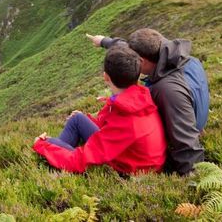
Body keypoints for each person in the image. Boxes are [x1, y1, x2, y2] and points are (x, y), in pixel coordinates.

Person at [86, 28, 208, 175]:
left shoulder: (167, 91)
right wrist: (105, 41)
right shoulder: (186, 59)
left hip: (166, 145)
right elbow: (129, 50)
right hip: (192, 118)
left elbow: (187, 143)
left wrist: (195, 183)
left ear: (141, 61)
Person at [32, 45, 166, 174]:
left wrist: (42, 145)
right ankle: (60, 152)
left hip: (127, 170)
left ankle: (58, 157)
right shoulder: (139, 97)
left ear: (105, 77)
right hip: (132, 157)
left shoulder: (127, 120)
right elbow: (113, 127)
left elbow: (79, 161)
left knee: (49, 143)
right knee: (77, 119)